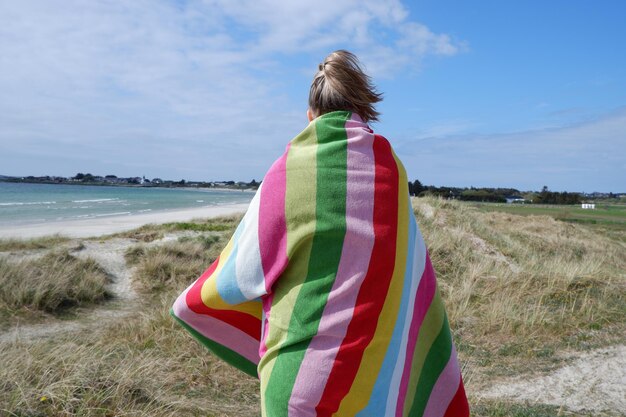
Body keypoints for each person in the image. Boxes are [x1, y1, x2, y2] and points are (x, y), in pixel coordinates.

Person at [171, 50, 469, 417]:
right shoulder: (389, 168)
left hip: (294, 387)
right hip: (373, 383)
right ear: (363, 111)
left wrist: (192, 301)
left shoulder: (287, 172)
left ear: (310, 116)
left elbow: (243, 271)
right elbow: (405, 271)